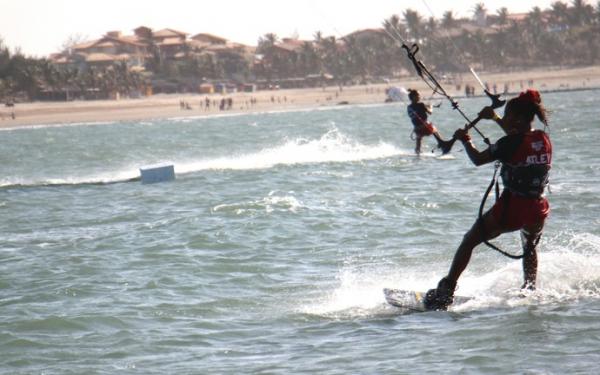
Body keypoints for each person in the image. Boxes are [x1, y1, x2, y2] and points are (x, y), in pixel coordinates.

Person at [424, 89, 552, 311]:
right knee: (529, 245)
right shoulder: (542, 138)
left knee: (469, 240)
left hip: (513, 208)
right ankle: (530, 288)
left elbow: (478, 159)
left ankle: (446, 290)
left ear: (519, 118)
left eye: (509, 116)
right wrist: (494, 118)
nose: (507, 120)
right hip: (538, 207)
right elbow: (515, 138)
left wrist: (465, 140)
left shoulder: (508, 143)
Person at [406, 89, 447, 155]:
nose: (419, 97)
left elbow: (417, 111)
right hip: (425, 127)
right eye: (418, 95)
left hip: (417, 129)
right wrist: (431, 107)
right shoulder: (421, 105)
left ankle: (417, 152)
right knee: (434, 129)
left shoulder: (409, 107)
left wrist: (429, 106)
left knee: (419, 140)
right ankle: (441, 143)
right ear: (414, 97)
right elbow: (430, 112)